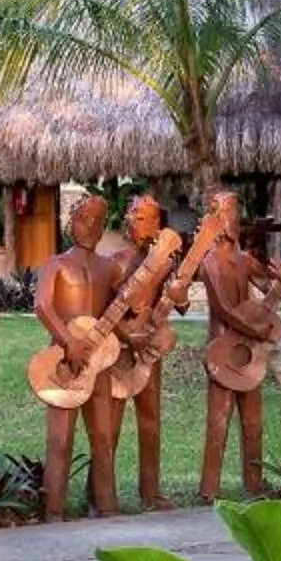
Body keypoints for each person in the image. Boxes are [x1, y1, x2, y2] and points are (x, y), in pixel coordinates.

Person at [191, 187, 281, 502]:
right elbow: (224, 309)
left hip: (249, 354)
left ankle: (253, 484)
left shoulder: (245, 260)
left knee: (253, 421)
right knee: (219, 421)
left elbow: (270, 287)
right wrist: (255, 331)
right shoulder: (210, 263)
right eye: (228, 213)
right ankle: (209, 489)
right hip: (223, 352)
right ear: (215, 219)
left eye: (236, 212)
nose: (234, 219)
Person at [32, 193, 124, 520]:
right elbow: (43, 306)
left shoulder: (109, 267)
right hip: (63, 363)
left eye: (97, 221)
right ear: (72, 222)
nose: (90, 226)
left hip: (98, 365)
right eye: (84, 218)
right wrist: (67, 340)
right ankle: (53, 508)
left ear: (103, 229)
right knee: (60, 438)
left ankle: (106, 504)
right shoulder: (56, 265)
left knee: (103, 436)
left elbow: (126, 304)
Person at [104, 191, 181, 511]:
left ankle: (151, 490)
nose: (134, 222)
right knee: (111, 422)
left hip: (148, 348)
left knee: (150, 418)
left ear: (157, 224)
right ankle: (103, 491)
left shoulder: (163, 261)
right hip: (121, 351)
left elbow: (179, 301)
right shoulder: (118, 262)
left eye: (143, 218)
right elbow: (105, 311)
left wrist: (178, 287)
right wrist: (126, 336)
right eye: (133, 216)